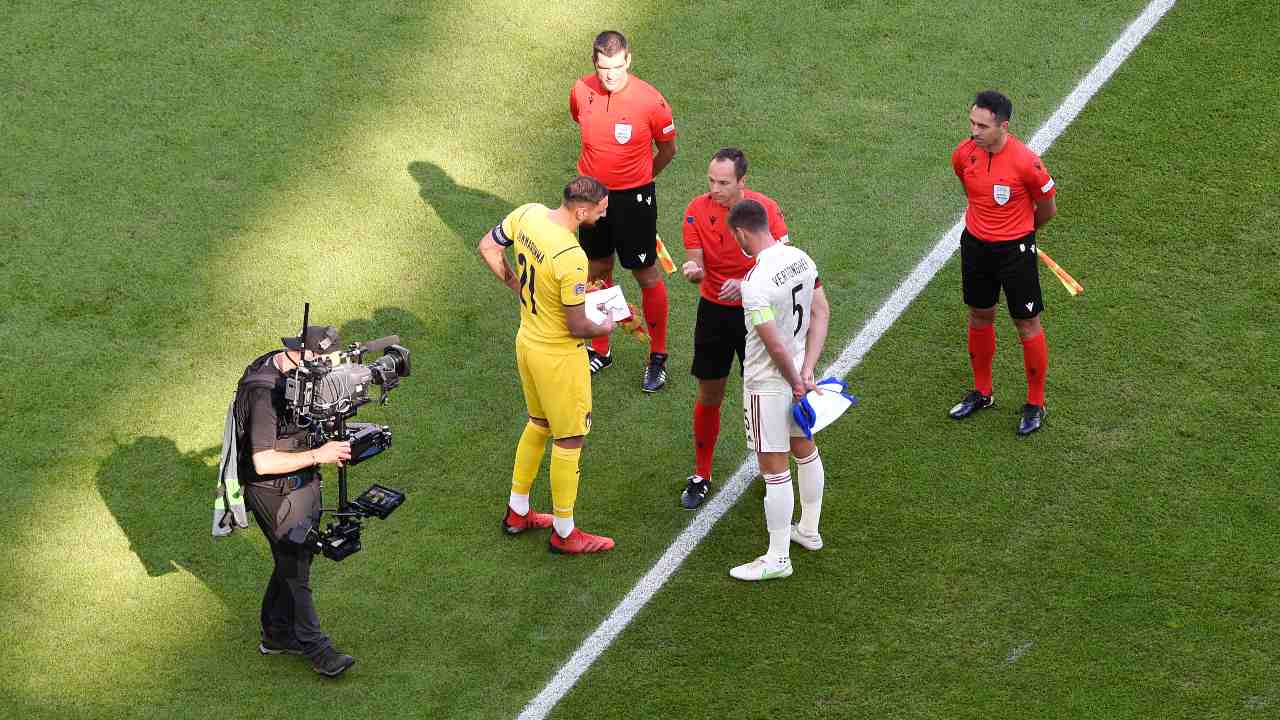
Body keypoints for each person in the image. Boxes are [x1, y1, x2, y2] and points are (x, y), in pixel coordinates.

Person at [478, 175, 619, 554]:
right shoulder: (571, 256)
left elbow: (488, 247)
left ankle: (518, 510)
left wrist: (516, 286)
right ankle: (565, 532)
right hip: (559, 355)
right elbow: (577, 325)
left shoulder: (528, 214)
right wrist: (607, 323)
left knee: (538, 423)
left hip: (527, 341)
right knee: (570, 437)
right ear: (582, 209)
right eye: (600, 212)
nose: (603, 217)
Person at [235, 324, 356, 677]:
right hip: (272, 489)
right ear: (303, 355)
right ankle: (318, 648)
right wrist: (321, 454)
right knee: (296, 565)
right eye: (323, 363)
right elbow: (264, 461)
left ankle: (275, 634)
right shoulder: (264, 391)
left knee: (292, 559)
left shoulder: (293, 374)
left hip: (300, 481)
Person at [677, 148, 790, 510]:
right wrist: (694, 271)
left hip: (756, 313)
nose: (715, 188)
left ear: (742, 182)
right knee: (710, 393)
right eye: (711, 180)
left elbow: (784, 264)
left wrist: (746, 287)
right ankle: (702, 473)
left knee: (763, 392)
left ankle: (770, 468)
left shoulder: (765, 210)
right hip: (713, 312)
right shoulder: (696, 210)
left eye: (724, 182)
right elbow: (695, 261)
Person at [726, 199, 830, 582]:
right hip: (797, 372)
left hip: (768, 383)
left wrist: (794, 380)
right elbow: (821, 312)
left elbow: (772, 343)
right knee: (804, 448)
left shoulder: (754, 284)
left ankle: (778, 557)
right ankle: (810, 529)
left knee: (773, 469)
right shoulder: (801, 258)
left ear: (740, 233)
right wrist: (807, 370)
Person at [570, 30, 678, 391]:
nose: (610, 75)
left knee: (645, 273)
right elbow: (584, 127)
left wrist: (641, 179)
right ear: (594, 64)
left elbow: (667, 150)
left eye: (616, 67)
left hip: (634, 200)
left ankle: (657, 357)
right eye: (603, 68)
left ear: (628, 60)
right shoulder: (580, 91)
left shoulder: (651, 102)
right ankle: (601, 347)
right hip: (590, 199)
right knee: (598, 269)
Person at [948, 90, 1058, 435]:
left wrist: (1021, 233)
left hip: (1015, 251)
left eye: (982, 125)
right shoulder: (964, 155)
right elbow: (973, 193)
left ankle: (1035, 403)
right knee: (980, 315)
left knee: (1027, 323)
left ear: (1003, 126)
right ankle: (982, 392)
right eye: (972, 122)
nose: (974, 131)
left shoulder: (1027, 162)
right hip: (976, 246)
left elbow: (1048, 208)